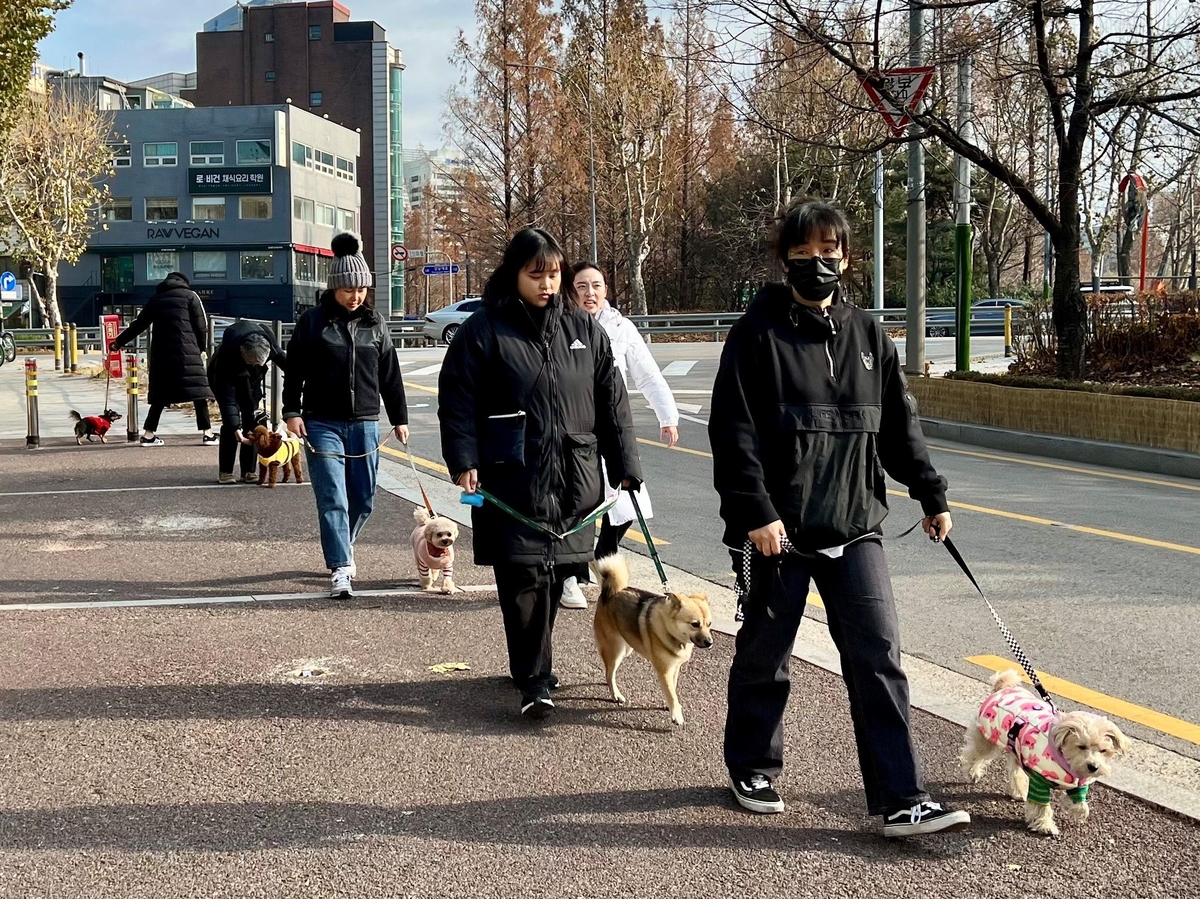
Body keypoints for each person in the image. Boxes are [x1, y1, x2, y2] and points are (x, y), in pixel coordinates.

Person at [709, 200, 971, 837]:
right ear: (784, 262)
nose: (816, 264)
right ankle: (752, 764)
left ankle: (899, 796)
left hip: (857, 525)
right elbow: (733, 434)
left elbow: (898, 427)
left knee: (880, 657)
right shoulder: (756, 334)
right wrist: (756, 513)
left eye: (828, 253)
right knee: (766, 654)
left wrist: (931, 493)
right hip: (779, 534)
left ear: (846, 258)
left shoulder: (867, 335)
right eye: (802, 256)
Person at [439, 228, 643, 719]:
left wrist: (626, 466)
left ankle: (531, 661)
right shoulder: (483, 329)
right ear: (514, 274)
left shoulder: (584, 330)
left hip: (573, 479)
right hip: (511, 476)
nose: (548, 284)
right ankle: (536, 681)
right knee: (522, 578)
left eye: (554, 274)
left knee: (556, 576)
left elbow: (612, 402)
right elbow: (458, 401)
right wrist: (464, 460)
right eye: (537, 275)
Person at [282, 232, 409, 599]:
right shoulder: (313, 322)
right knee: (333, 495)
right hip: (321, 421)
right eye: (348, 289)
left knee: (364, 496)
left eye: (361, 289)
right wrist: (292, 412)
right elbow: (295, 371)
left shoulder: (376, 323)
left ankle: (343, 546)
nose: (355, 296)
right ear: (334, 288)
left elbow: (390, 374)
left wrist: (399, 418)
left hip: (366, 422)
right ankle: (340, 567)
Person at [559, 261, 679, 609]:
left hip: (613, 428)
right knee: (579, 507)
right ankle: (571, 577)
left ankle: (603, 558)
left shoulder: (620, 327)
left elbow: (647, 374)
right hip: (576, 430)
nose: (589, 293)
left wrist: (667, 415)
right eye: (581, 286)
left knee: (627, 503)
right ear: (571, 290)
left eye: (596, 285)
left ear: (606, 290)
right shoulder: (561, 326)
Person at [109, 271, 216, 446]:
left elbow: (139, 324)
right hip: (187, 352)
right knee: (198, 392)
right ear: (184, 282)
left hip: (162, 354)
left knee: (161, 395)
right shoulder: (191, 296)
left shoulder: (156, 299)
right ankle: (208, 434)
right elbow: (201, 326)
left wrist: (118, 342)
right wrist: (200, 349)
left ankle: (149, 435)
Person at [207, 320, 286, 484]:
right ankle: (226, 471)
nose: (254, 365)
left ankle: (248, 470)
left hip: (253, 381)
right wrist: (235, 427)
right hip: (224, 378)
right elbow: (227, 396)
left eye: (259, 363)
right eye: (251, 362)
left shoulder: (268, 345)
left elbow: (289, 365)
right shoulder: (227, 354)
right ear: (242, 352)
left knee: (253, 421)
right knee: (231, 424)